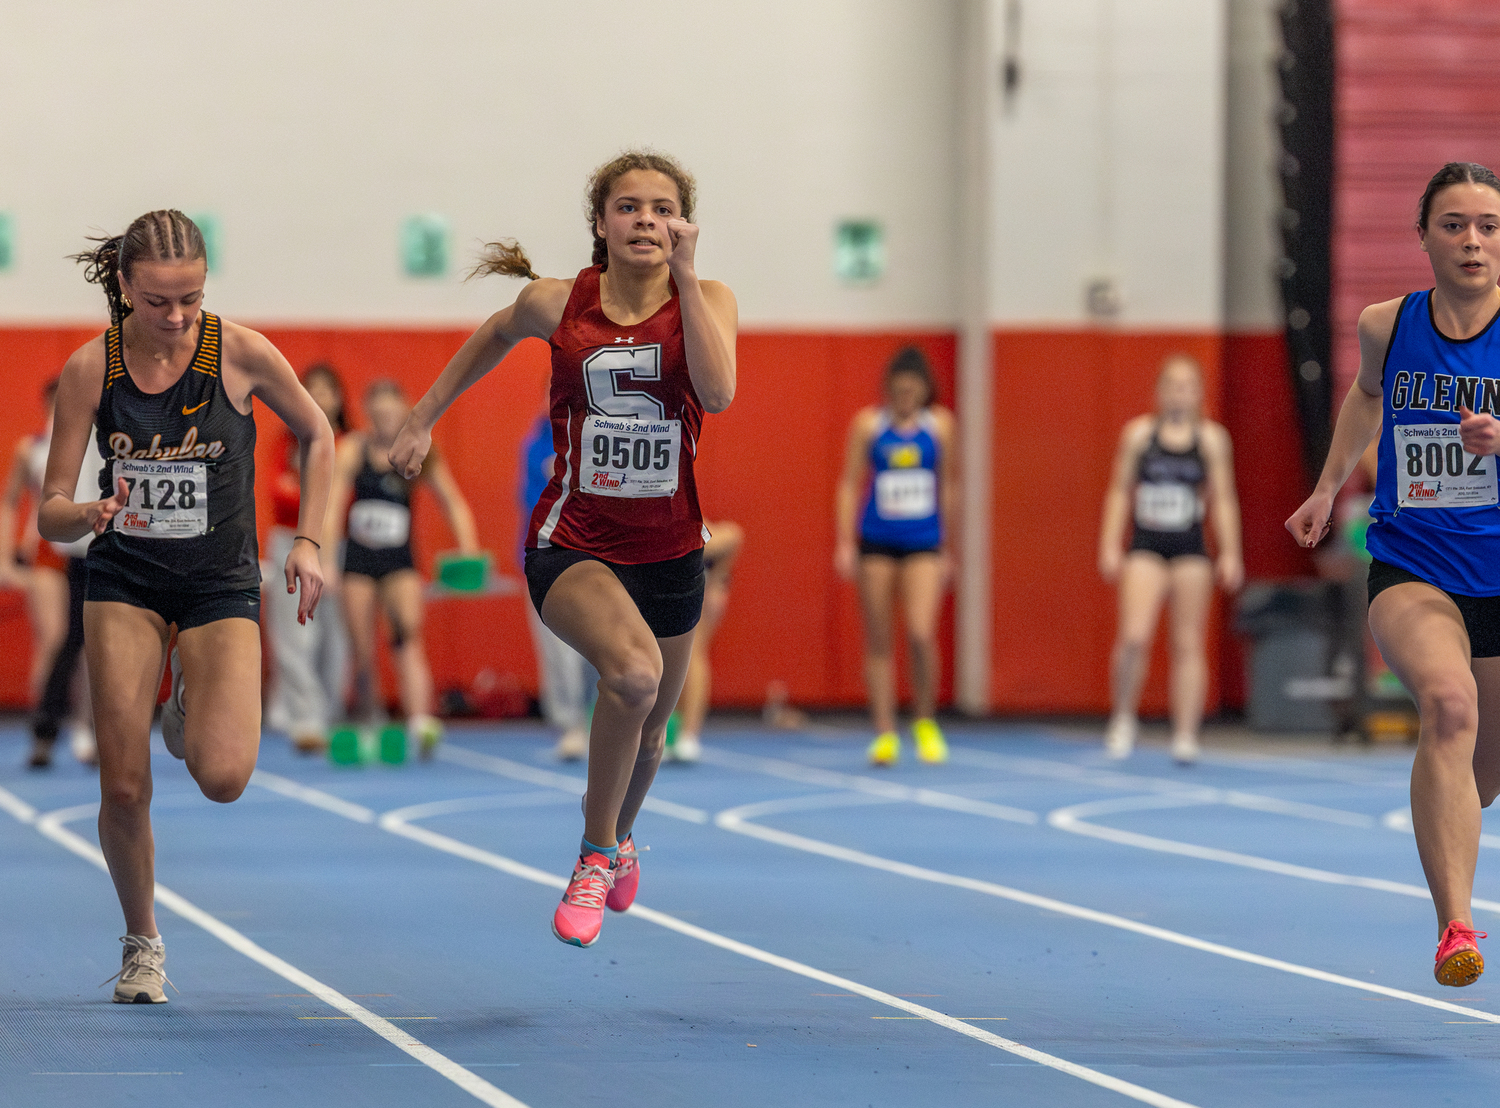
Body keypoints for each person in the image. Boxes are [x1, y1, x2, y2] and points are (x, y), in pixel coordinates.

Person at [391, 150, 736, 948]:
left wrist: (686, 279)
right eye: (628, 207)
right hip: (574, 539)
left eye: (661, 208)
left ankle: (618, 843)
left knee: (651, 733)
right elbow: (494, 332)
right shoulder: (559, 302)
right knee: (633, 676)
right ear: (601, 223)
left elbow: (717, 394)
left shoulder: (709, 301)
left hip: (672, 545)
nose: (645, 220)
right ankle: (591, 853)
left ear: (683, 223)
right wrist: (422, 417)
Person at [41, 210, 334, 1003]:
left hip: (218, 585)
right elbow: (51, 508)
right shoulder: (90, 370)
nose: (176, 318)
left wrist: (309, 541)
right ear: (125, 289)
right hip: (125, 582)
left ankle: (185, 697)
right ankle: (142, 944)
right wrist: (88, 513)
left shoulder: (236, 352)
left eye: (191, 300)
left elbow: (319, 435)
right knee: (124, 786)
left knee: (224, 775)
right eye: (159, 302)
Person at [1287, 161, 1500, 988]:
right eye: (1454, 224)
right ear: (1424, 237)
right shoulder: (1388, 324)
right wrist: (1327, 485)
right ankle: (1457, 926)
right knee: (1450, 708)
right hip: (1416, 564)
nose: (1473, 241)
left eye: (1487, 225)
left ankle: (1447, 806)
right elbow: (1367, 399)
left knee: (1480, 777)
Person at [1098, 354, 1243, 764]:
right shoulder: (1139, 435)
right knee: (1134, 636)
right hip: (1146, 544)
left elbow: (1224, 499)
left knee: (1187, 641)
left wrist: (1230, 552)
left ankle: (1185, 732)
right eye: (1172, 385)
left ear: (1198, 393)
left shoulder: (1212, 440)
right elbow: (1118, 490)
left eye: (1187, 386)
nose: (1180, 393)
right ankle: (1123, 716)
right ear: (1159, 392)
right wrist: (1110, 543)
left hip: (1190, 548)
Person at [327, 379, 478, 756]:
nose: (384, 420)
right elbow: (331, 510)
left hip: (399, 562)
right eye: (377, 414)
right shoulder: (352, 450)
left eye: (392, 413)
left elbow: (453, 503)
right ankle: (369, 719)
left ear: (405, 412)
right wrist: (326, 561)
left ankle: (420, 722)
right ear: (368, 415)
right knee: (361, 648)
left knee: (408, 637)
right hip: (358, 561)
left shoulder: (418, 451)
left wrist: (468, 550)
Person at [835, 347, 956, 767]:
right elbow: (850, 483)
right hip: (877, 541)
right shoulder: (869, 425)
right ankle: (884, 731)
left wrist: (949, 546)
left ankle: (924, 719)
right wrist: (845, 543)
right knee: (879, 638)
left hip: (925, 541)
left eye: (912, 390)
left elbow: (950, 484)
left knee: (922, 632)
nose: (905, 397)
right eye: (898, 390)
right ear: (888, 389)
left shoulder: (939, 426)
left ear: (924, 391)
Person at [0, 380, 92, 767]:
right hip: (46, 551)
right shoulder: (32, 448)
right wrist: (5, 558)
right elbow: (9, 502)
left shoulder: (93, 439)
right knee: (55, 639)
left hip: (84, 547)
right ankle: (45, 725)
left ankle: (86, 726)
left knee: (88, 645)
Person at [266, 363, 352, 753]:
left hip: (339, 545)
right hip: (291, 541)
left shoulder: (351, 444)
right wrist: (318, 500)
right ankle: (306, 715)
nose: (319, 397)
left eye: (326, 390)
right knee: (295, 635)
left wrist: (317, 503)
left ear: (338, 398)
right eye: (311, 389)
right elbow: (277, 495)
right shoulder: (287, 443)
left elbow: (346, 501)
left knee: (335, 638)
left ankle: (330, 711)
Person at [519, 410, 598, 762]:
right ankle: (570, 725)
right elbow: (537, 489)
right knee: (557, 650)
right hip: (548, 554)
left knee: (596, 649)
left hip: (595, 557)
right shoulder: (537, 443)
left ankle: (601, 721)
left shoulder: (600, 429)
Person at [664, 520, 743, 763]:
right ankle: (671, 735)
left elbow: (733, 535)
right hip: (671, 589)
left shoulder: (696, 526)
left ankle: (689, 733)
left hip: (697, 591)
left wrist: (719, 580)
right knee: (668, 665)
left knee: (694, 657)